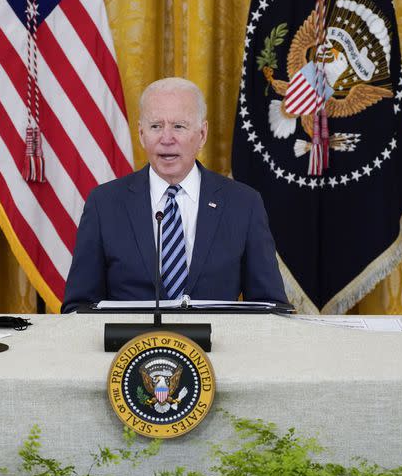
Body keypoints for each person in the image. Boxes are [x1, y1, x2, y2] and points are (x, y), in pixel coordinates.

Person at [61, 77, 287, 313]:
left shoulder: (243, 204)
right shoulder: (104, 204)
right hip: (130, 348)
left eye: (179, 126)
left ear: (202, 134)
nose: (166, 139)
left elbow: (270, 307)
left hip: (215, 349)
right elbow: (79, 308)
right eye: (156, 126)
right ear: (141, 134)